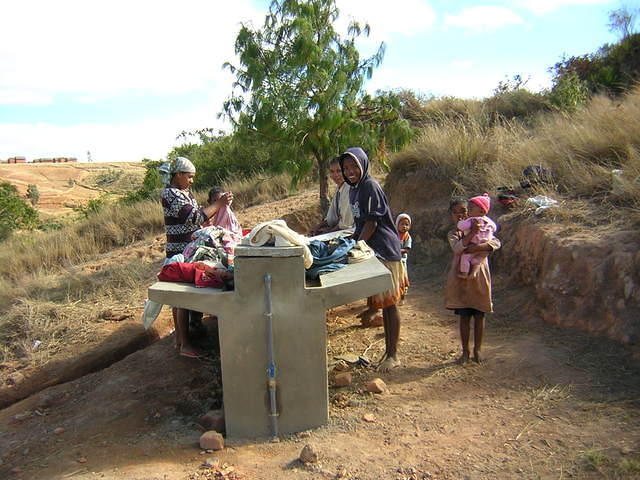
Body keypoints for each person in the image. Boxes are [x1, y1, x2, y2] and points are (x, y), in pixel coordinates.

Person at [340, 147, 407, 371]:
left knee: (390, 304)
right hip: (373, 249)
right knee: (384, 303)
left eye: (354, 166)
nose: (350, 171)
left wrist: (357, 244)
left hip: (384, 249)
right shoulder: (353, 190)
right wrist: (352, 239)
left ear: (363, 165)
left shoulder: (370, 186)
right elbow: (360, 223)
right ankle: (389, 353)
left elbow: (372, 222)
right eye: (346, 168)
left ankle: (393, 355)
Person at [160, 157, 233, 358]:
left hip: (189, 248)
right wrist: (219, 204)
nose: (191, 181)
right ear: (178, 175)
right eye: (189, 177)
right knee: (182, 296)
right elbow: (194, 218)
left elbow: (198, 218)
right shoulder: (170, 194)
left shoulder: (183, 193)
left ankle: (190, 332)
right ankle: (183, 343)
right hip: (180, 250)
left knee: (191, 290)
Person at [445, 197, 501, 364]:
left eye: (463, 211)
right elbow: (457, 248)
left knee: (479, 314)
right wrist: (472, 234)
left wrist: (478, 247)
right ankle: (465, 351)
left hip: (480, 276)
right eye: (455, 213)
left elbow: (496, 242)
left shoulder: (484, 224)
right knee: (463, 314)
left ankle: (478, 350)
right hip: (461, 278)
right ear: (451, 216)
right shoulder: (454, 233)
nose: (460, 215)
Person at [456, 194, 496, 279]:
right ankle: (474, 273)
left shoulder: (472, 220)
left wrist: (462, 222)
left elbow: (461, 226)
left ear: (481, 211)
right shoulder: (488, 221)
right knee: (477, 261)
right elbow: (494, 228)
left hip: (475, 247)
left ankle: (465, 273)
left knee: (465, 258)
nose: (467, 212)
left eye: (469, 209)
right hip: (484, 249)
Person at [312, 157, 354, 235]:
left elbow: (345, 225)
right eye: (332, 171)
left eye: (339, 171)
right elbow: (331, 218)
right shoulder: (338, 189)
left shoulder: (349, 189)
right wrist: (317, 227)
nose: (335, 175)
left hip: (351, 232)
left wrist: (327, 233)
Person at [396, 213, 412, 299]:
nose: (404, 226)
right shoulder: (394, 235)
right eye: (402, 224)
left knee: (403, 277)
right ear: (397, 224)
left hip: (402, 261)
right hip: (394, 261)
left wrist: (397, 251)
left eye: (407, 224)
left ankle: (403, 294)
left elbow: (407, 249)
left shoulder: (407, 236)